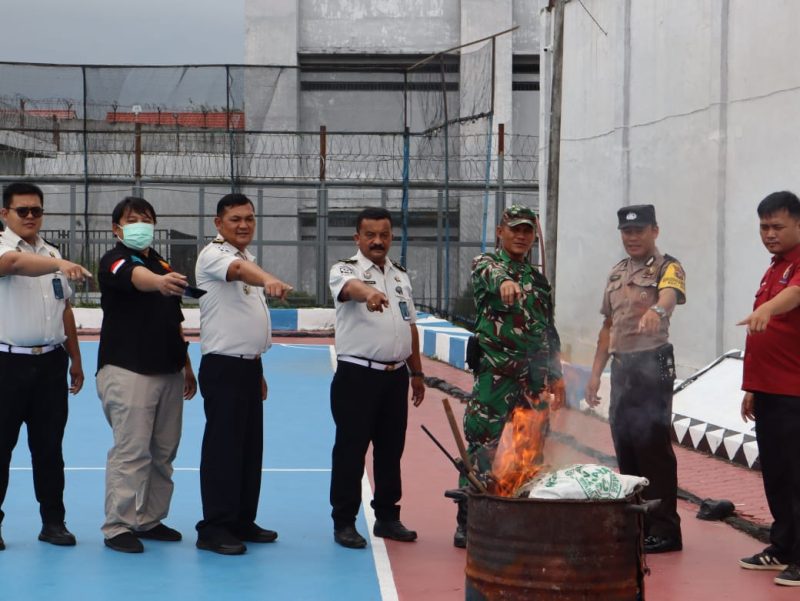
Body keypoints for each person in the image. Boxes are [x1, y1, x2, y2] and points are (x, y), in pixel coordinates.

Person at [457, 205, 564, 548]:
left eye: (527, 230)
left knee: (531, 450)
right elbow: (489, 272)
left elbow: (547, 329)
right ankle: (469, 521)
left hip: (533, 380)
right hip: (497, 376)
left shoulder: (538, 280)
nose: (521, 236)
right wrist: (504, 282)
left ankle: (522, 517)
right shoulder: (487, 265)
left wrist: (556, 374)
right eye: (515, 229)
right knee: (482, 448)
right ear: (500, 232)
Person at [96, 196, 197, 553]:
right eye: (132, 219)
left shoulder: (161, 262)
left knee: (163, 451)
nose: (141, 225)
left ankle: (149, 518)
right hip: (129, 369)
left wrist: (186, 365)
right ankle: (118, 525)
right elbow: (136, 278)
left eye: (147, 219)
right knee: (132, 451)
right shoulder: (115, 259)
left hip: (168, 369)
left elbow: (174, 319)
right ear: (117, 228)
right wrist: (159, 282)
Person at [194, 193, 292, 555]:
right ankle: (214, 527)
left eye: (249, 218)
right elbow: (237, 272)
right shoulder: (214, 255)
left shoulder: (246, 257)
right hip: (223, 366)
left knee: (250, 448)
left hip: (248, 366)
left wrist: (257, 367)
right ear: (218, 223)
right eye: (235, 219)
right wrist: (269, 278)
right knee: (223, 449)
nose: (244, 225)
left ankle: (241, 520)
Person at [585, 204, 685, 554]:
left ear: (654, 231)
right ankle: (638, 524)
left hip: (652, 365)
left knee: (652, 447)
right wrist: (595, 375)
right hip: (622, 367)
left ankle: (666, 530)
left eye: (639, 230)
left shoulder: (667, 267)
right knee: (625, 444)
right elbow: (608, 326)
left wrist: (657, 310)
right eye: (627, 232)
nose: (632, 237)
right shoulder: (617, 273)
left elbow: (669, 297)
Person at [0, 182, 91, 550]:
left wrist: (76, 359)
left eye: (36, 210)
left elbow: (64, 309)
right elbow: (13, 264)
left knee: (50, 449)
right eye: (22, 210)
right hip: (7, 365)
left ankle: (53, 523)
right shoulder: (5, 249)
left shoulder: (51, 252)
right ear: (4, 214)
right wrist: (59, 264)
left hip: (51, 364)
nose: (30, 216)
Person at [328, 207, 425, 549]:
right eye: (370, 235)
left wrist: (417, 372)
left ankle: (387, 516)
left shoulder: (400, 275)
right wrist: (369, 294)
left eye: (384, 235)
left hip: (395, 377)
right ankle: (344, 522)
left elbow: (410, 325)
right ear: (358, 238)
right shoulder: (344, 269)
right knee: (351, 450)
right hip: (357, 376)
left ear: (391, 237)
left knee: (390, 449)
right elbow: (351, 288)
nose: (377, 241)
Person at [737, 191, 800, 586]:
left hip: (795, 392)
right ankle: (783, 547)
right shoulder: (775, 267)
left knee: (797, 476)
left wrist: (766, 308)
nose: (769, 234)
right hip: (770, 390)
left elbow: (796, 295)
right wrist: (753, 388)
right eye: (764, 227)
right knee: (776, 474)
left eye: (778, 226)